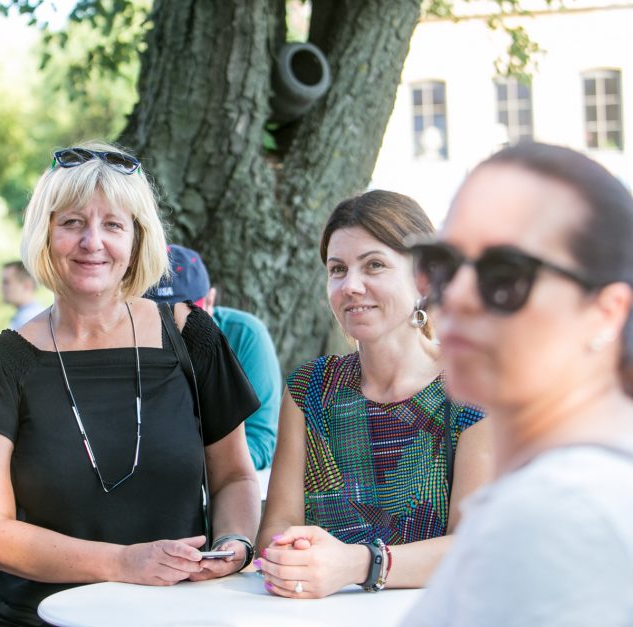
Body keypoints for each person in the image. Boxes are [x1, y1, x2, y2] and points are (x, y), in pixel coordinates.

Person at [0, 143, 262, 626]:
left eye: (113, 224)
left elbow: (235, 478)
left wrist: (235, 545)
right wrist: (122, 563)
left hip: (178, 616)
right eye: (72, 222)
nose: (92, 242)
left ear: (139, 239)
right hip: (40, 620)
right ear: (44, 232)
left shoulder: (191, 338)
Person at [400, 143, 633, 625]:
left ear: (606, 313)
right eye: (442, 265)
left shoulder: (560, 514)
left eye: (504, 274)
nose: (458, 296)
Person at [255, 190, 492, 599]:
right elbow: (276, 529)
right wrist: (290, 557)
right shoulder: (310, 390)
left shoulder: (473, 388)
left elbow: (475, 548)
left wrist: (357, 564)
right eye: (337, 269)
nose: (351, 286)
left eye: (374, 265)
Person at [146, 244, 282, 470]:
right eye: (160, 317)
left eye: (187, 313)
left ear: (211, 300)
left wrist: (190, 468)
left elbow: (261, 439)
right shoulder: (128, 337)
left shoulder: (245, 335)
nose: (174, 326)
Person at [0, 260, 47, 330]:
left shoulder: (30, 319)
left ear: (27, 285)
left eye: (6, 282)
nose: (0, 288)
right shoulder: (27, 316)